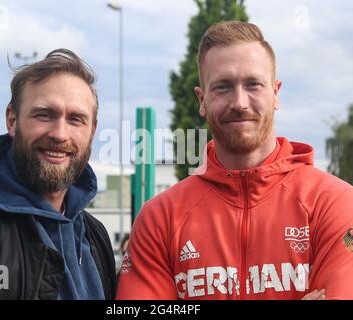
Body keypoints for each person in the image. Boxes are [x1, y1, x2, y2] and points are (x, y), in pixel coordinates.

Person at [116, 21, 353, 300]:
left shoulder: (336, 204)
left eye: (253, 84)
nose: (239, 102)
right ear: (202, 99)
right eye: (223, 87)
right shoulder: (160, 219)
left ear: (275, 93)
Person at [0, 49, 116, 299]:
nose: (59, 134)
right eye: (44, 114)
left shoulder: (95, 235)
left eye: (75, 119)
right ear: (12, 120)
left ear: (92, 131)